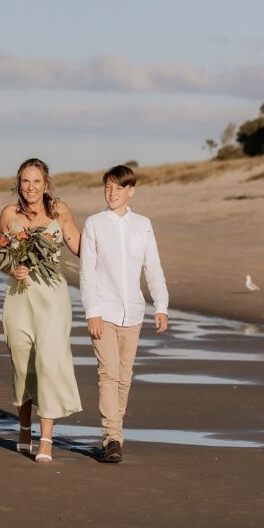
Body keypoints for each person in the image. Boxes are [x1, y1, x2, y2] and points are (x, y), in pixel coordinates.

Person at [79, 165, 169, 463]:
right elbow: (87, 273)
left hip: (133, 312)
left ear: (131, 190)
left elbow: (152, 267)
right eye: (108, 187)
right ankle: (112, 438)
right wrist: (91, 311)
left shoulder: (143, 224)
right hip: (102, 311)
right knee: (108, 374)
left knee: (124, 377)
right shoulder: (94, 223)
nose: (112, 193)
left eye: (118, 187)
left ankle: (114, 434)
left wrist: (161, 305)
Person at [0, 159, 82, 463]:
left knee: (49, 362)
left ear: (46, 184)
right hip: (19, 298)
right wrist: (12, 268)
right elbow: (0, 255)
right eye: (25, 181)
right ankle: (24, 427)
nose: (30, 188)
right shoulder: (9, 214)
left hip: (52, 299)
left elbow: (81, 246)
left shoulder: (59, 211)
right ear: (18, 183)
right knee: (23, 367)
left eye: (36, 182)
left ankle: (46, 438)